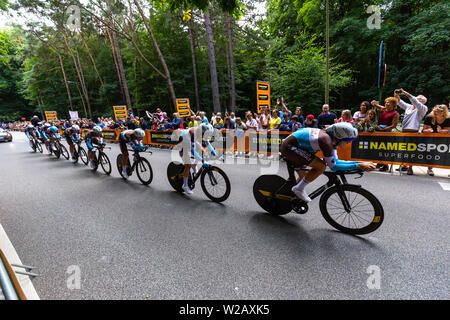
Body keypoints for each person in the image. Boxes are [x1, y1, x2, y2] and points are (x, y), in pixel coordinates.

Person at [280, 123, 376, 202]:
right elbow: (334, 166)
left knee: (304, 176)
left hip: (297, 146)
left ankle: (287, 198)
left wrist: (360, 163)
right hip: (289, 147)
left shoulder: (332, 140)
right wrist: (358, 165)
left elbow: (336, 162)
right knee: (321, 166)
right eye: (348, 139)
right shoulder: (326, 141)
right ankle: (298, 189)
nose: (349, 142)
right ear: (340, 136)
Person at [394, 89, 428, 175]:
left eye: (419, 99)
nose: (416, 99)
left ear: (423, 102)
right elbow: (399, 101)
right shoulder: (409, 106)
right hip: (404, 131)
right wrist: (396, 93)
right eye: (417, 98)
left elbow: (414, 101)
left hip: (413, 132)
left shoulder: (423, 108)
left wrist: (405, 92)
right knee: (403, 150)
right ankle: (404, 166)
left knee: (411, 151)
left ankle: (410, 167)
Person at [177, 124, 216, 195]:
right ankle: (185, 186)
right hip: (184, 142)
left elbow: (207, 142)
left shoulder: (203, 131)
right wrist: (202, 160)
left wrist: (213, 151)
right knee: (188, 165)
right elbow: (192, 151)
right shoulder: (194, 133)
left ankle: (194, 165)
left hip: (191, 140)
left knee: (202, 150)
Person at [371, 97, 400, 172]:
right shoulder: (383, 109)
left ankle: (386, 165)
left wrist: (383, 129)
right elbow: (374, 104)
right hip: (379, 130)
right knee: (377, 147)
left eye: (389, 103)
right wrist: (373, 102)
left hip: (387, 131)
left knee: (384, 149)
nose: (387, 104)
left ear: (393, 105)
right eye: (386, 102)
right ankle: (380, 162)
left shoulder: (395, 113)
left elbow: (394, 125)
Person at [422, 105, 450, 176]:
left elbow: (447, 130)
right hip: (430, 138)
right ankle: (430, 168)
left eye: (437, 111)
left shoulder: (448, 119)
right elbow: (423, 130)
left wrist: (441, 131)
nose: (434, 112)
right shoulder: (429, 117)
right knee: (430, 153)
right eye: (434, 111)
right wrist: (427, 130)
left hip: (443, 139)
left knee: (445, 154)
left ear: (443, 112)